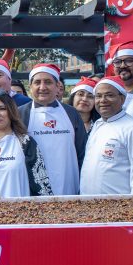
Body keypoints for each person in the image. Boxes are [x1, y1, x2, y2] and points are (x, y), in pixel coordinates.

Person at [18, 63, 87, 195]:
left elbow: (82, 152)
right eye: (37, 82)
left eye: (48, 82)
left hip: (68, 184)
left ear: (57, 87)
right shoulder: (20, 114)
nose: (42, 87)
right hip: (32, 188)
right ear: (30, 87)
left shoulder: (71, 113)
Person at [80, 76, 133, 195]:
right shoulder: (98, 125)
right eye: (98, 96)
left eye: (109, 95)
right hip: (89, 205)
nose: (102, 100)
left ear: (122, 99)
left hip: (121, 209)